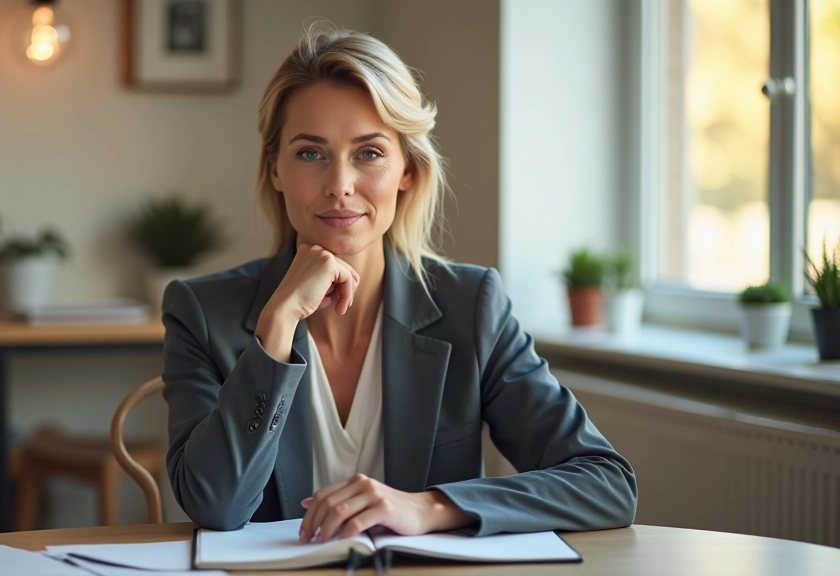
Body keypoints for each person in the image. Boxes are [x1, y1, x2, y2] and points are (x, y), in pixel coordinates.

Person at [161, 24, 637, 542]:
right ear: (275, 169)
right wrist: (274, 333)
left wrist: (430, 507)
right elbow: (217, 506)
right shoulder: (201, 311)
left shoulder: (470, 307)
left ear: (407, 169)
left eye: (368, 153)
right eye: (310, 153)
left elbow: (606, 483)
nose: (340, 185)